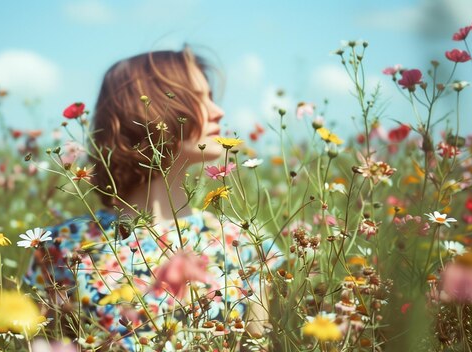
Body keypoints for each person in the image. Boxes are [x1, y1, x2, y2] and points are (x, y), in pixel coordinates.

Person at [26, 47, 283, 350]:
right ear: (147, 109)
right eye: (199, 98)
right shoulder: (63, 243)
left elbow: (258, 343)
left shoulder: (243, 244)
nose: (218, 111)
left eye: (211, 96)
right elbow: (41, 342)